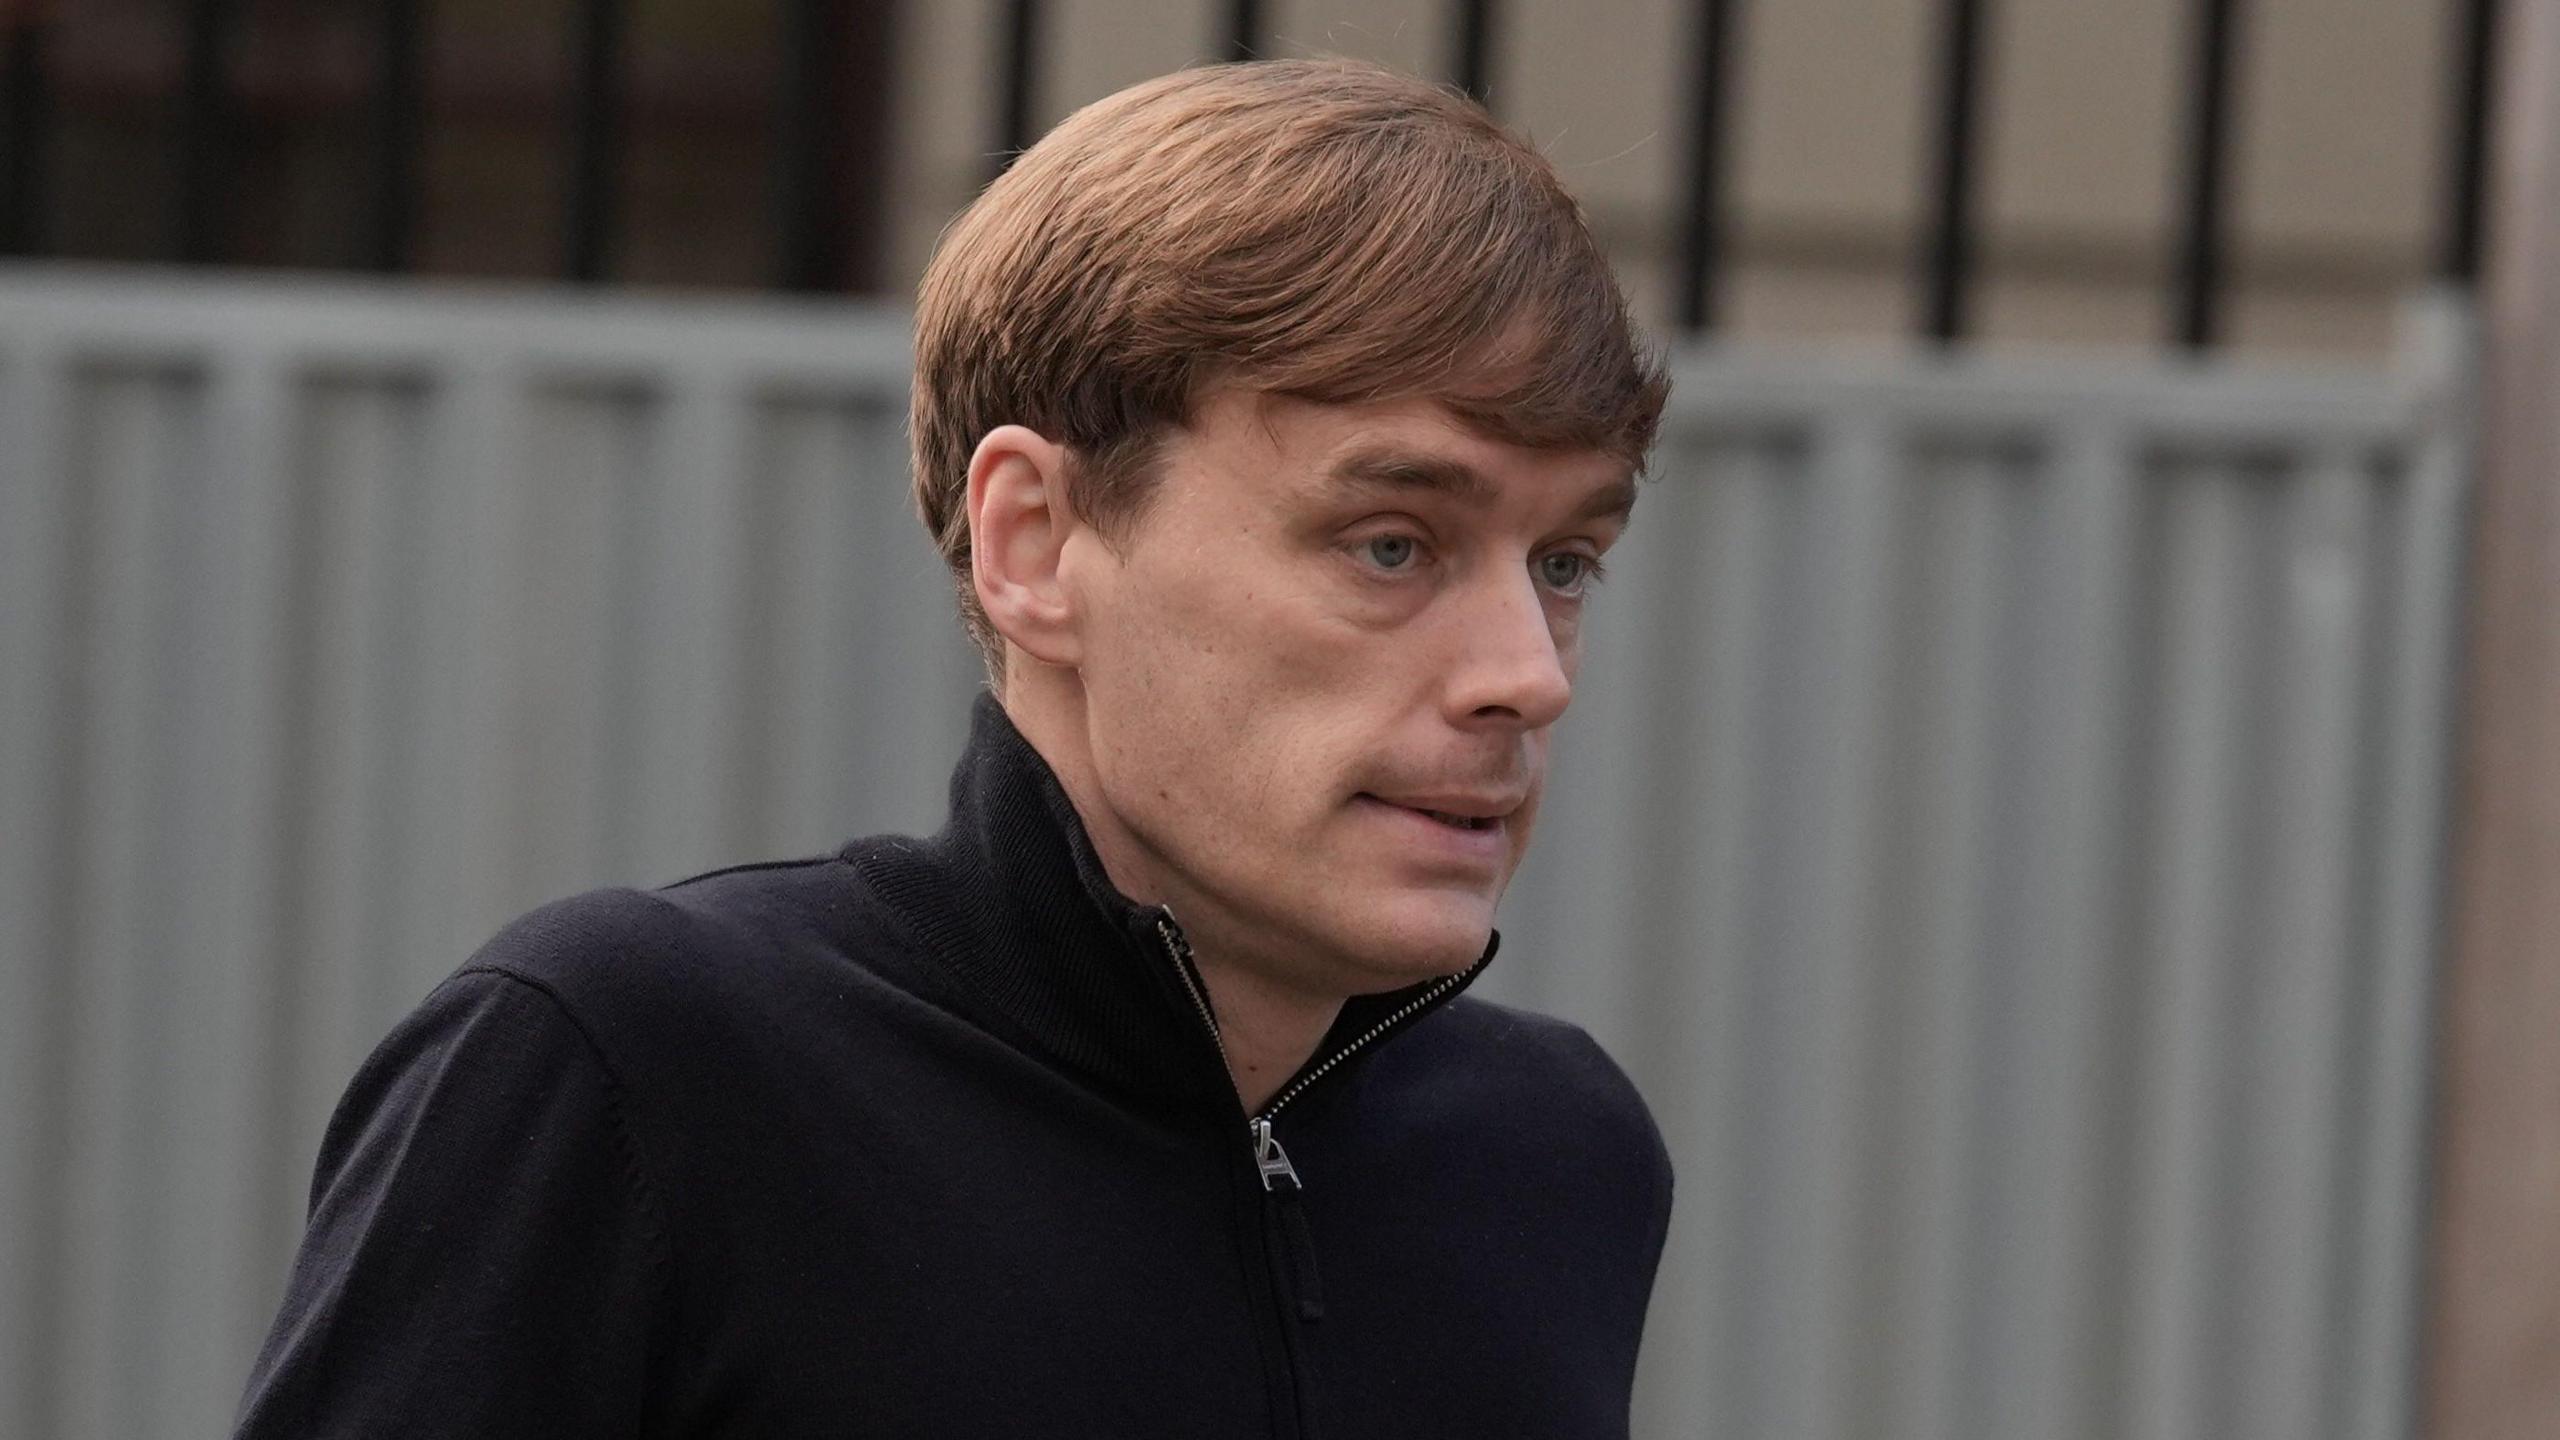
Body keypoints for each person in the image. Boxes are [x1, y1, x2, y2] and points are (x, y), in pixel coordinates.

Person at [235, 57, 1673, 1439]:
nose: (1525, 677)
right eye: (1390, 544)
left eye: (1565, 562)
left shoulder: (1555, 1163)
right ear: (1034, 542)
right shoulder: (632, 1075)